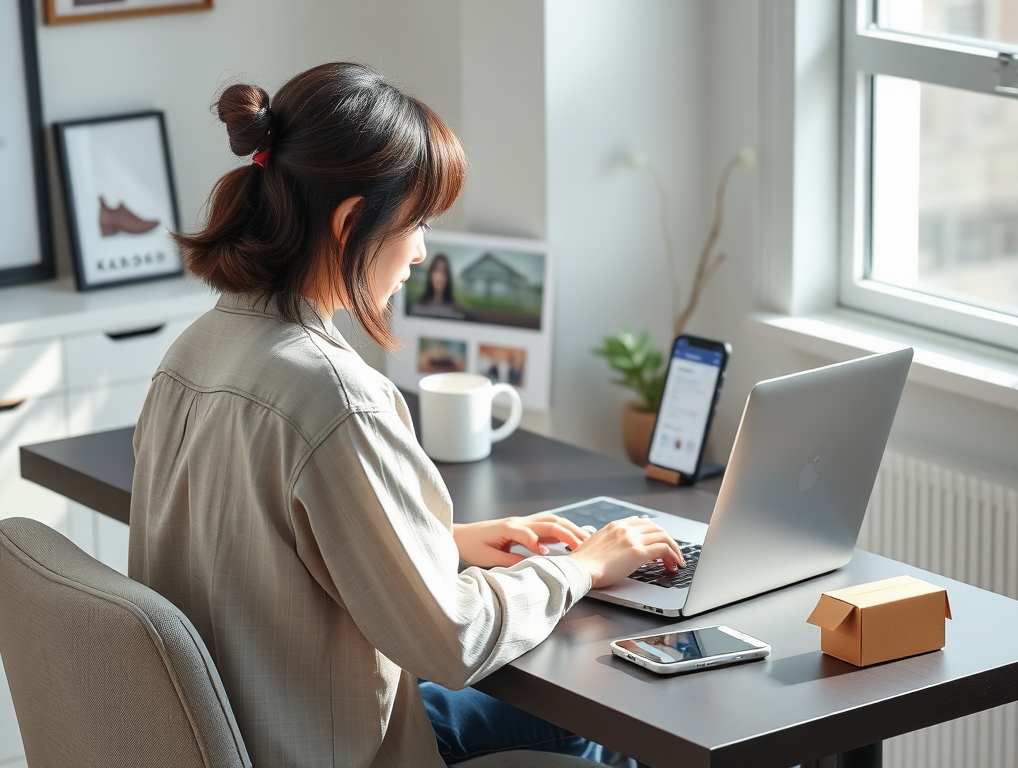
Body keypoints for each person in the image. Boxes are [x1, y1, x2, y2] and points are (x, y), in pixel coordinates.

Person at [128, 62, 682, 768]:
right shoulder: (335, 395)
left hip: (250, 722)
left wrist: (439, 543)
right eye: (416, 222)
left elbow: (255, 550)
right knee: (618, 723)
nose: (421, 251)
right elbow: (451, 643)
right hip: (332, 745)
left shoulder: (193, 351)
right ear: (352, 221)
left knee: (572, 727)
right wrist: (583, 567)